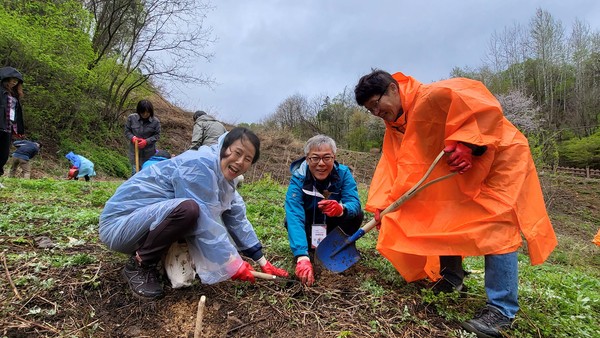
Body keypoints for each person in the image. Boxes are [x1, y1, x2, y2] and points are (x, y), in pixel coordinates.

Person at [354, 69, 557, 338]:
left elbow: (484, 105)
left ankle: (502, 310)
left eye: (376, 104)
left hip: (499, 160)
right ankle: (452, 279)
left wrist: (469, 144)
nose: (376, 113)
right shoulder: (396, 125)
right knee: (442, 213)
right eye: (370, 110)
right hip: (462, 171)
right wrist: (384, 203)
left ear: (393, 89)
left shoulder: (435, 94)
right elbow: (395, 166)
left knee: (497, 226)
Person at [99, 127, 289, 300]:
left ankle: (156, 255)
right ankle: (139, 265)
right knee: (189, 210)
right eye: (237, 152)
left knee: (191, 213)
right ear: (223, 147)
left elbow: (237, 219)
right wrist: (232, 263)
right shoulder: (199, 165)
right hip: (120, 225)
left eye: (248, 159)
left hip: (146, 223)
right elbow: (204, 223)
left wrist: (262, 261)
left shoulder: (226, 182)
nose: (240, 162)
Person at [284, 135, 364, 286]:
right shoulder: (298, 178)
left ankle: (336, 245)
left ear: (334, 157)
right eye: (315, 158)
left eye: (327, 158)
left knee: (357, 215)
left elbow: (354, 202)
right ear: (307, 159)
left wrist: (341, 209)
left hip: (332, 226)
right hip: (308, 227)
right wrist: (302, 256)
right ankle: (307, 249)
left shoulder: (343, 174)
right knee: (289, 219)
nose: (321, 164)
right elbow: (294, 214)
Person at [0, 67, 25, 186]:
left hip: (8, 127)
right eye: (12, 79)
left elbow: (16, 113)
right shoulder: (1, 91)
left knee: (3, 154)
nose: (14, 82)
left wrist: (18, 128)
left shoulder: (15, 95)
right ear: (6, 79)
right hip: (0, 124)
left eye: (16, 81)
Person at [125, 99, 161, 175]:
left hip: (149, 154)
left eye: (147, 112)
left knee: (146, 175)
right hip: (135, 152)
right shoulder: (131, 118)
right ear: (139, 111)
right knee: (135, 174)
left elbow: (157, 135)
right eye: (143, 112)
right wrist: (133, 138)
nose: (145, 114)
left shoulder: (156, 122)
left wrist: (146, 141)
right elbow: (127, 132)